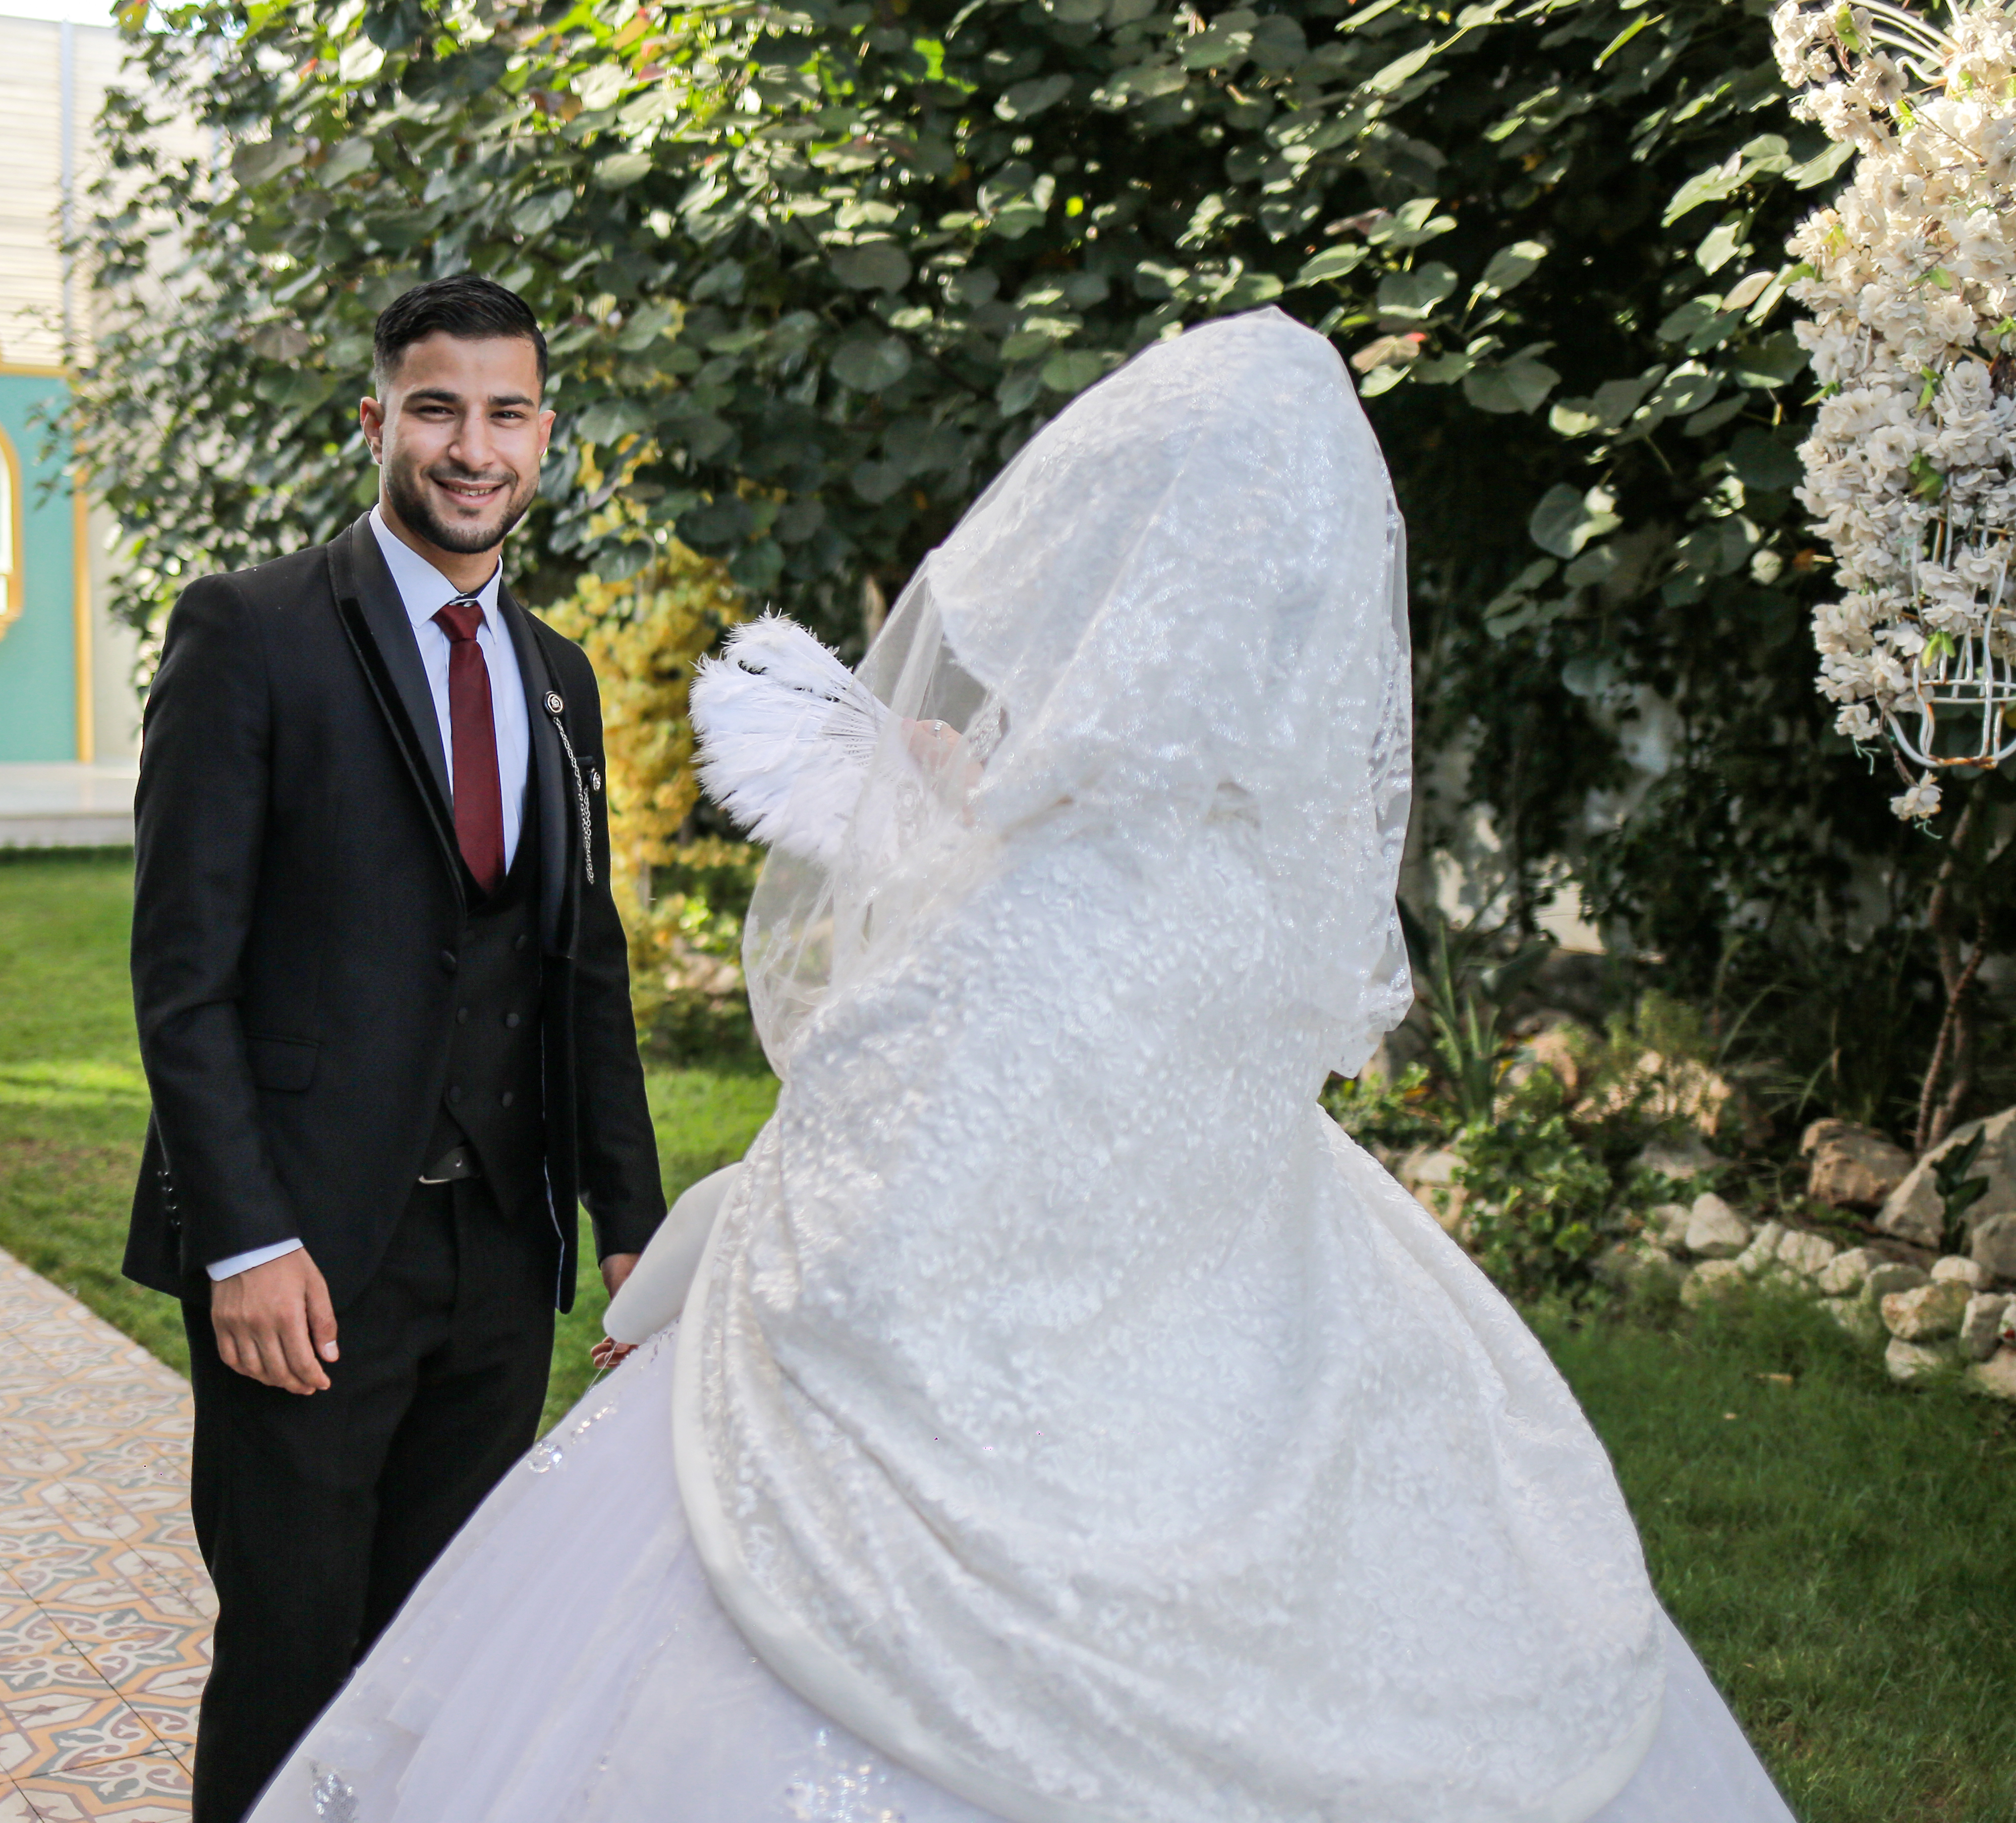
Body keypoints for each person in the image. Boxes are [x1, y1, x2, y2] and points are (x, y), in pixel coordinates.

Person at [240, 310, 1798, 1823]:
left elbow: (870, 1196)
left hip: (965, 1449)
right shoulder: (1257, 883)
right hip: (1239, 1369)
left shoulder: (1057, 888)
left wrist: (684, 1271)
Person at [123, 273, 665, 1823]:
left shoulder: (556, 677)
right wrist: (244, 1243)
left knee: (447, 1663)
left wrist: (634, 1229)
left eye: (505, 414)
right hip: (304, 1264)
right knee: (293, 1660)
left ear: (543, 437)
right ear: (376, 421)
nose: (471, 447)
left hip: (495, 1256)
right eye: (436, 409)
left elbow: (580, 966)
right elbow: (182, 978)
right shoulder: (249, 631)